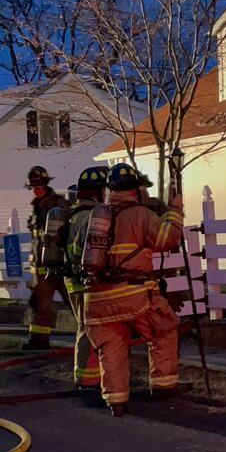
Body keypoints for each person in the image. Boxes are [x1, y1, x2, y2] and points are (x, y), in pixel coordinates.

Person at [83, 163, 185, 417]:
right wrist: (175, 211)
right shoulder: (140, 214)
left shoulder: (96, 218)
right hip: (133, 295)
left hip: (95, 299)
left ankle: (116, 401)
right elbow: (168, 239)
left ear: (110, 189)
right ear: (136, 190)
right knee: (164, 328)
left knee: (112, 347)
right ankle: (163, 386)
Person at [64, 167, 109, 391]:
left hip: (71, 280)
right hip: (86, 281)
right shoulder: (92, 217)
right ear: (96, 192)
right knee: (88, 329)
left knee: (84, 327)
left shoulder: (72, 214)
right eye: (103, 190)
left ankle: (87, 377)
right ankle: (87, 380)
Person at [23, 165, 69, 350]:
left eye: (39, 185)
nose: (36, 189)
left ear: (46, 184)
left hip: (60, 264)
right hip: (42, 269)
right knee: (39, 305)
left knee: (74, 301)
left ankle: (92, 336)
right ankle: (39, 341)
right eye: (34, 186)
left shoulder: (58, 205)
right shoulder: (37, 207)